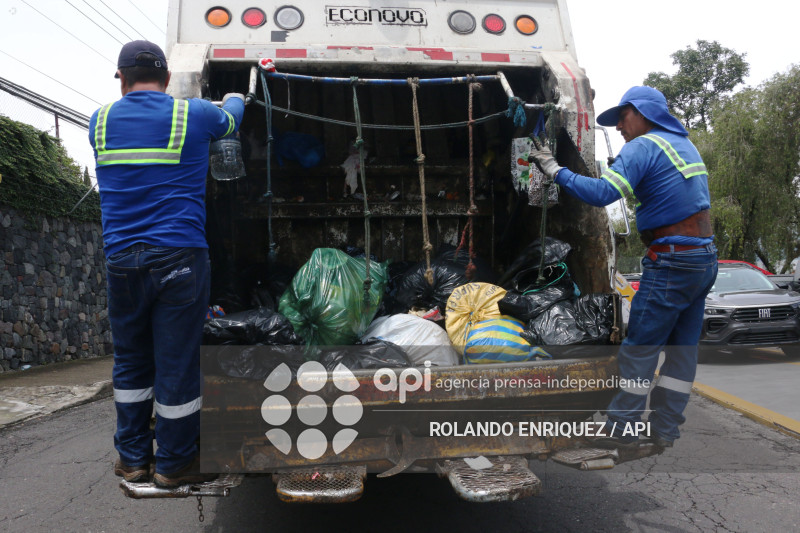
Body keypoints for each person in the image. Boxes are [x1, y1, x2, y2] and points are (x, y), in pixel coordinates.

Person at [88, 40, 245, 487]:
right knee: (176, 363)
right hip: (179, 257)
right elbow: (231, 119)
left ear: (120, 78)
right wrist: (239, 95)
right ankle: (175, 464)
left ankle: (133, 459)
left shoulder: (98, 123)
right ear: (168, 77)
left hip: (122, 261)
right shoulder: (192, 114)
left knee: (132, 363)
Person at [530, 86, 718, 449]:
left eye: (622, 118)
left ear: (642, 112)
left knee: (640, 349)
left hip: (673, 260)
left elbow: (602, 194)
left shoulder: (643, 146)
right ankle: (664, 428)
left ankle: (621, 427)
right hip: (702, 259)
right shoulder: (683, 145)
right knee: (682, 352)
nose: (618, 127)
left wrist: (554, 170)